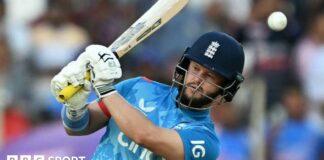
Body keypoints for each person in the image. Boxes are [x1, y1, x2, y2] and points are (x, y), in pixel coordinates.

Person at [50, 31, 245, 160]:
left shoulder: (205, 141)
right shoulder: (137, 87)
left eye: (209, 77)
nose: (197, 80)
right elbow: (78, 127)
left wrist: (103, 86)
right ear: (185, 67)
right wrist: (75, 106)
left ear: (225, 88)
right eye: (195, 69)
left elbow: (146, 136)